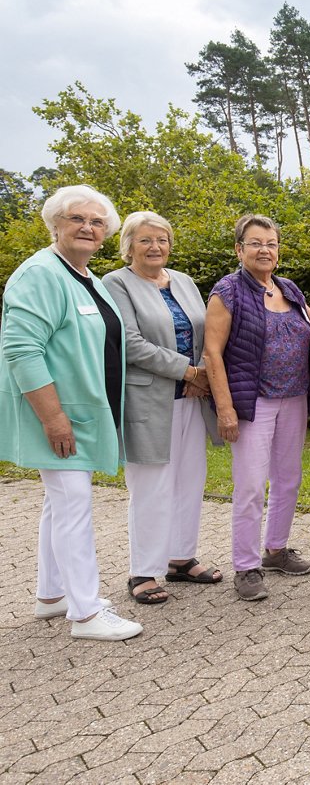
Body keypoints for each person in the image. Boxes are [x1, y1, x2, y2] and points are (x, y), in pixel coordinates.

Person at [0, 185, 142, 640]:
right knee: (74, 505)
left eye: (97, 222)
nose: (88, 227)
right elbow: (22, 349)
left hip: (78, 413)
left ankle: (51, 595)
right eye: (77, 218)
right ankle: (86, 613)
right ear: (55, 224)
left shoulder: (84, 275)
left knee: (59, 504)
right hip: (56, 416)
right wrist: (53, 418)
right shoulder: (39, 274)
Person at [103, 212, 222, 606]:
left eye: (162, 240)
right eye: (145, 240)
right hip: (151, 399)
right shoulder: (116, 283)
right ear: (128, 245)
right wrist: (188, 372)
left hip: (191, 399)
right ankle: (142, 571)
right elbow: (131, 343)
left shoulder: (184, 281)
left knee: (190, 480)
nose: (155, 247)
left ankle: (181, 558)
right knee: (151, 486)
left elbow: (205, 333)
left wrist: (201, 375)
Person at [204, 214, 310, 601]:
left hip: (294, 397)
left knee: (288, 478)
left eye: (271, 243)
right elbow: (212, 353)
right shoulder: (228, 291)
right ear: (239, 249)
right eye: (255, 243)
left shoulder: (289, 288)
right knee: (252, 486)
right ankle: (246, 566)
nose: (264, 250)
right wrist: (225, 409)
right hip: (252, 403)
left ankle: (276, 550)